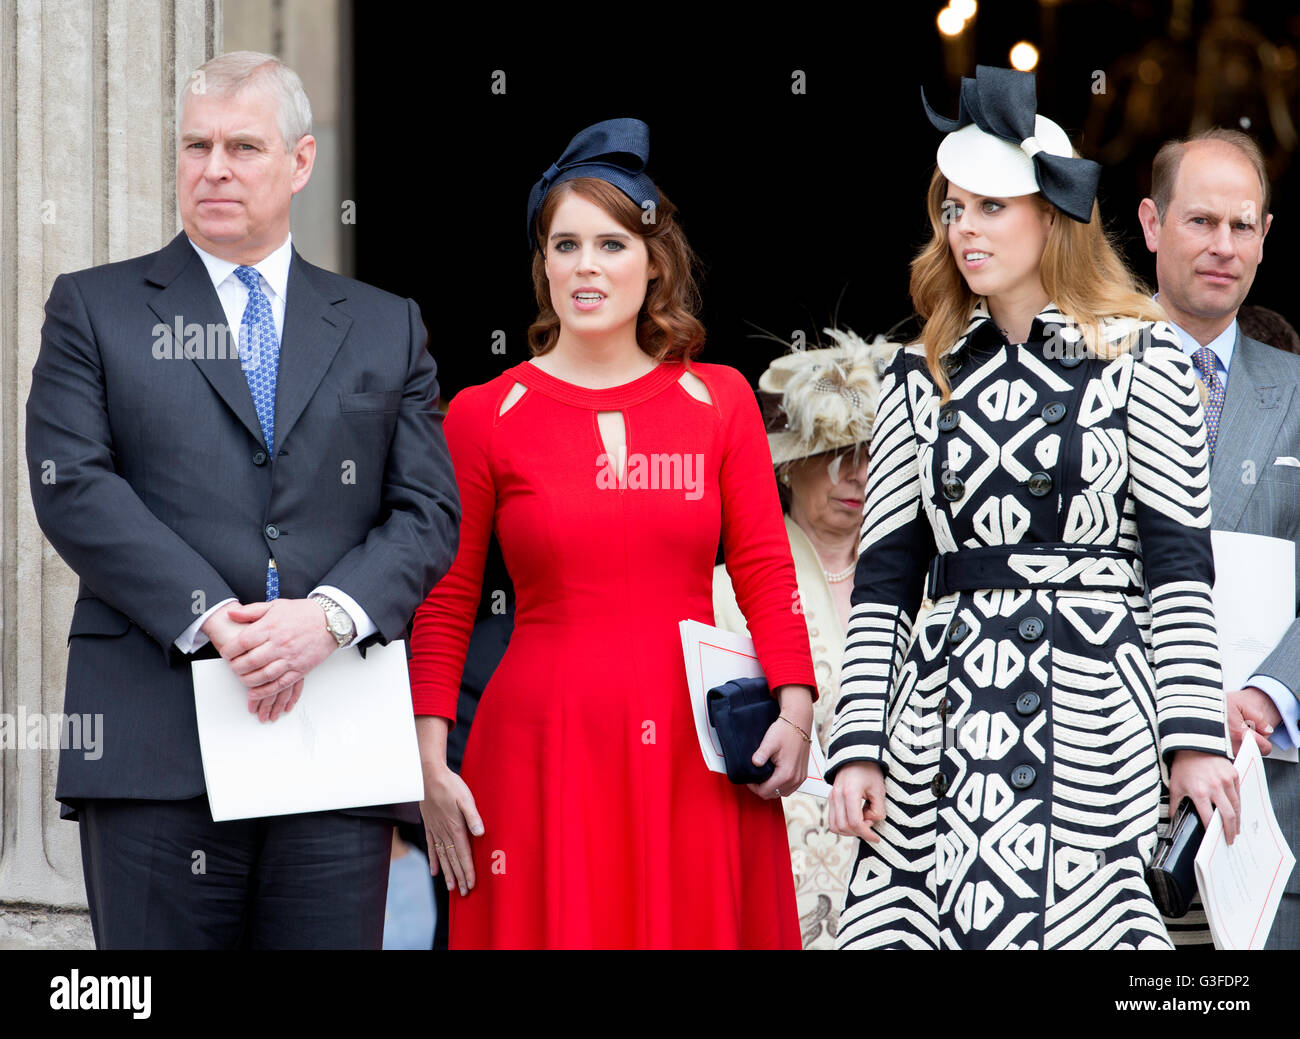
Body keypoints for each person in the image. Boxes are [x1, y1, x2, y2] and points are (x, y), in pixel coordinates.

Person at [24, 51, 460, 949]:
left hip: (331, 740)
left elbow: (426, 511)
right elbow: (73, 485)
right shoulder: (92, 307)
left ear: (300, 162)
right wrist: (213, 613)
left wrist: (329, 619)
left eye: (242, 147)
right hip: (153, 741)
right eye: (196, 145)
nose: (213, 167)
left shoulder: (387, 323)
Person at [825, 66, 1240, 950]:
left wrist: (1195, 738)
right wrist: (859, 740)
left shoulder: (1149, 355)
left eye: (990, 206)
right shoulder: (919, 370)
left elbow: (1178, 567)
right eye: (953, 209)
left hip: (1093, 712)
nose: (964, 228)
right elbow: (885, 579)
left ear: (1050, 215)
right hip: (943, 714)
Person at [408, 118, 816, 949]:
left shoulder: (722, 399)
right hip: (538, 749)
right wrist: (428, 759)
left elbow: (766, 571)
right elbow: (446, 601)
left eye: (611, 243)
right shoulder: (485, 413)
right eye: (565, 245)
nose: (586, 265)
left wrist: (797, 707)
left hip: (695, 752)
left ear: (654, 260)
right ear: (542, 265)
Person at [1138, 128, 1300, 949]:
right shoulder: (1086, 376)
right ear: (1150, 224)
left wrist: (1271, 691)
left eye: (1243, 226)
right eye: (1200, 221)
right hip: (1111, 790)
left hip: (1270, 797)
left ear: (1266, 237)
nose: (1223, 246)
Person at [712, 330, 895, 948]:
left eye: (873, 451)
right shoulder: (720, 592)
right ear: (789, 461)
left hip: (898, 863)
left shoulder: (926, 588)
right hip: (767, 860)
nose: (856, 472)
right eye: (835, 450)